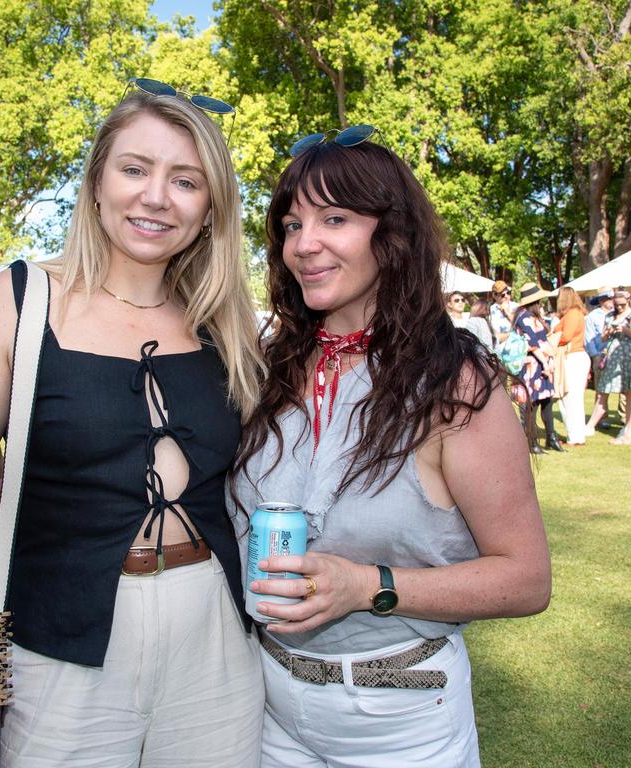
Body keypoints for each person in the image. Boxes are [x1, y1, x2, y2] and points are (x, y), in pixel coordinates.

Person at [0, 83, 266, 767]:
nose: (156, 197)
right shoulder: (24, 297)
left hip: (216, 640)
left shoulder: (226, 322)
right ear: (94, 184)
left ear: (210, 210)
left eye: (186, 181)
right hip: (60, 648)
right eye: (134, 169)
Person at [232, 135, 551, 768]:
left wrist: (366, 586)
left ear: (393, 234)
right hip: (265, 708)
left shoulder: (455, 381)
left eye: (335, 218)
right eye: (292, 224)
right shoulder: (264, 369)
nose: (304, 244)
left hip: (399, 721)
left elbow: (526, 579)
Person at [513, 284, 564, 453]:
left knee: (547, 402)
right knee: (532, 405)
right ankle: (532, 441)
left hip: (542, 365)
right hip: (533, 367)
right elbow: (532, 344)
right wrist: (546, 363)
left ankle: (551, 437)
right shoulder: (524, 317)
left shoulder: (533, 317)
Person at [552, 286, 589, 446]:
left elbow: (566, 336)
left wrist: (552, 338)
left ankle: (575, 436)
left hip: (573, 357)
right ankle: (576, 435)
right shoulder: (576, 313)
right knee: (573, 398)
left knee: (570, 398)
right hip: (575, 357)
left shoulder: (573, 314)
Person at [594, 290, 631, 445]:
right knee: (604, 389)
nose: (619, 308)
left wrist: (625, 330)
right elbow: (602, 337)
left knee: (628, 393)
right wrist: (608, 333)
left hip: (627, 356)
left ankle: (627, 431)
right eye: (617, 305)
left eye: (622, 305)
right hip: (612, 356)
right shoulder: (609, 316)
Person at [585, 287, 615, 435]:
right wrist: (595, 356)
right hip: (601, 355)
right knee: (601, 388)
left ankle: (624, 416)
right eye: (609, 298)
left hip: (617, 354)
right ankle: (603, 418)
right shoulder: (593, 316)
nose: (612, 301)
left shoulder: (618, 314)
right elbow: (589, 339)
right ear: (602, 300)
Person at [488, 280, 516, 349]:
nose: (506, 296)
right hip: (503, 351)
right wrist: (513, 334)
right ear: (494, 295)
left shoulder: (516, 306)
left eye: (508, 293)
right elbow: (497, 337)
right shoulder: (491, 310)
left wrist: (508, 313)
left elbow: (521, 326)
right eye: (503, 295)